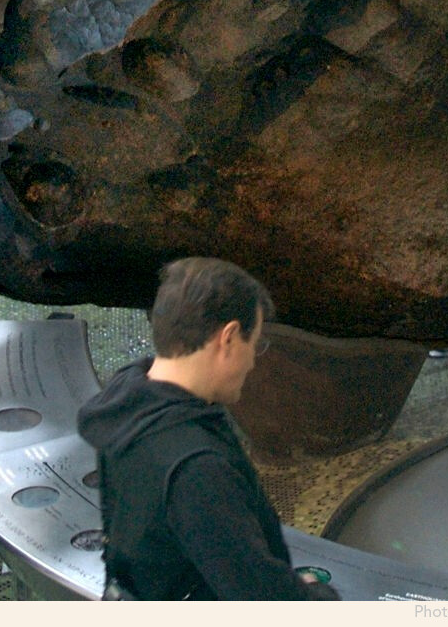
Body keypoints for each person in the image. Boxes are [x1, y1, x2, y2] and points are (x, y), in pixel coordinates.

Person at [77, 257, 342, 601]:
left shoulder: (127, 404)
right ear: (228, 338)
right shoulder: (197, 468)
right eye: (255, 344)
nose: (251, 362)